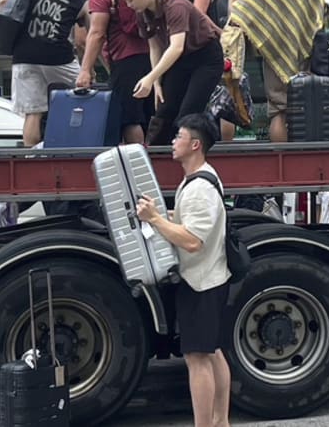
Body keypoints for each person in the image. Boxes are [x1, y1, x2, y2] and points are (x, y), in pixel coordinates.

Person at [135, 114, 231, 427]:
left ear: (195, 144)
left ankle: (207, 423)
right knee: (213, 351)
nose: (173, 141)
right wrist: (167, 214)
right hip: (209, 278)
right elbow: (191, 222)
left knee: (197, 358)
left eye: (179, 136)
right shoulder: (197, 180)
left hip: (201, 281)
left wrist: (155, 219)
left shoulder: (200, 186)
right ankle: (220, 421)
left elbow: (192, 242)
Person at [228, 0, 326, 143]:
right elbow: (325, 10)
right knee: (305, 104)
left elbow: (236, 14)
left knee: (278, 110)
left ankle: (280, 157)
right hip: (305, 53)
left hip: (273, 57)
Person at [117, 0, 225, 146]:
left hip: (205, 57)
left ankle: (191, 151)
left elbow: (176, 47)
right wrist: (156, 82)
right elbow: (155, 47)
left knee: (188, 111)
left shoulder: (176, 6)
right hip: (178, 60)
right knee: (164, 109)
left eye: (130, 0)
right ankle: (159, 153)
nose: (129, 5)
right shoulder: (142, 12)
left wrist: (150, 78)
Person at [77, 0, 154, 144]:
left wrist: (85, 70)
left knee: (130, 118)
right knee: (150, 116)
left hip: (126, 60)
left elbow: (97, 33)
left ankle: (137, 167)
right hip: (155, 58)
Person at [0, 0, 88, 147]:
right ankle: (79, 145)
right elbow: (90, 32)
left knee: (33, 113)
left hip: (24, 55)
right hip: (58, 58)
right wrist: (89, 69)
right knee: (84, 96)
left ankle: (31, 156)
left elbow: (3, 2)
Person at [176, 0, 237, 141]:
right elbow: (199, 14)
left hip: (187, 50)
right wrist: (220, 32)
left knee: (190, 102)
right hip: (205, 50)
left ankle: (189, 139)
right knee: (212, 103)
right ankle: (199, 141)